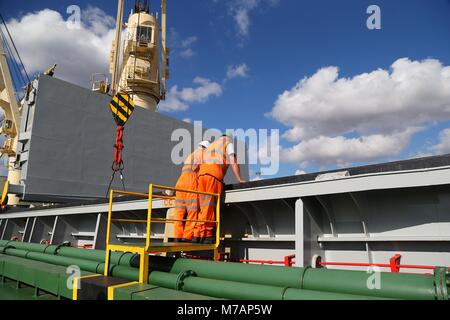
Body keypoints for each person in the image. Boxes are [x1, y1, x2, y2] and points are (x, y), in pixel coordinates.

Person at [193, 132, 246, 244]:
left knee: (202, 207)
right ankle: (207, 236)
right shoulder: (228, 142)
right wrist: (239, 178)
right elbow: (233, 160)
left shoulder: (210, 146)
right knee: (210, 206)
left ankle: (197, 235)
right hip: (213, 176)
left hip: (202, 176)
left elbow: (196, 166)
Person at [173, 141, 210, 242]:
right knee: (192, 211)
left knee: (179, 212)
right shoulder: (202, 153)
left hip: (180, 183)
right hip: (190, 182)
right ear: (205, 148)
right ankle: (187, 237)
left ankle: (177, 236)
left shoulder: (191, 154)